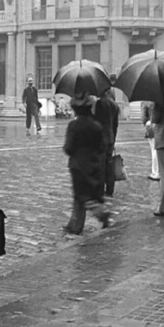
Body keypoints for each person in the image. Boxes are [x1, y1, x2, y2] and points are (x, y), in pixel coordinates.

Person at [63, 91, 110, 235]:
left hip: (77, 165)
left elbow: (68, 148)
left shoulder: (73, 126)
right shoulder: (96, 126)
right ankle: (75, 224)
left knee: (81, 196)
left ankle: (100, 214)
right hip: (93, 163)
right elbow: (102, 146)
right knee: (89, 194)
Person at [93, 88, 120, 197]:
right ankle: (110, 189)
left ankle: (99, 190)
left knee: (100, 165)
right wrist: (113, 139)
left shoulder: (99, 103)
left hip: (100, 138)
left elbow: (96, 123)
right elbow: (115, 125)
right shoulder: (114, 105)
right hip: (110, 138)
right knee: (109, 164)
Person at [141, 101, 159, 181]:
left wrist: (147, 123)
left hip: (151, 126)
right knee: (158, 150)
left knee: (154, 150)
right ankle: (159, 171)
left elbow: (143, 117)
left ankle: (155, 172)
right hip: (160, 126)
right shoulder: (157, 100)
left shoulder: (145, 102)